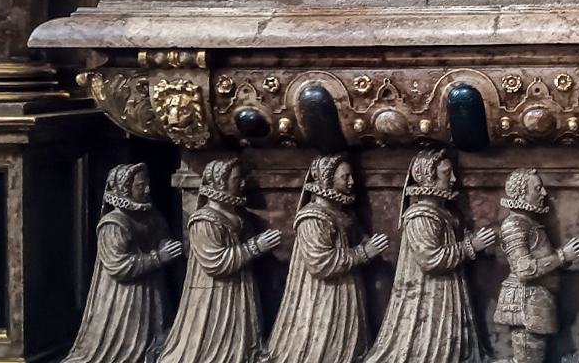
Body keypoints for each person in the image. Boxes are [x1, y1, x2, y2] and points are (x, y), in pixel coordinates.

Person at [362, 150, 497, 363]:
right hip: (428, 292)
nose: (453, 179)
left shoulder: (443, 214)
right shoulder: (421, 216)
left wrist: (471, 239)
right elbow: (431, 259)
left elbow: (449, 243)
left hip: (446, 287)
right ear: (427, 176)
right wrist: (471, 246)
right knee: (430, 346)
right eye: (446, 174)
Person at [265, 155, 390, 363]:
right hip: (323, 294)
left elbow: (357, 238)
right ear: (326, 179)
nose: (351, 182)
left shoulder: (340, 212)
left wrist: (364, 243)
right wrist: (363, 252)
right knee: (323, 349)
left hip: (344, 288)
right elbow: (320, 262)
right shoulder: (314, 217)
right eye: (345, 177)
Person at [158, 159, 283, 363]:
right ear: (220, 183)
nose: (242, 185)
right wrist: (255, 247)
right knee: (216, 345)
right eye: (236, 180)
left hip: (238, 286)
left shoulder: (235, 215)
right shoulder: (204, 220)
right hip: (215, 293)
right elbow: (215, 262)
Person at [62, 164, 186, 363]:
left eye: (147, 184)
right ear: (125, 189)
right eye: (140, 185)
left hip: (152, 290)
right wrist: (158, 257)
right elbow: (118, 266)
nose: (147, 190)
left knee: (154, 340)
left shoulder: (150, 214)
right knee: (126, 349)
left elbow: (161, 234)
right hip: (125, 298)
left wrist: (164, 243)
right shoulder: (114, 224)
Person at [494, 170, 579, 363]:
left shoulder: (528, 223)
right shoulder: (515, 225)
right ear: (520, 193)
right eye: (538, 188)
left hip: (535, 301)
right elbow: (523, 270)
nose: (544, 193)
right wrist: (562, 256)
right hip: (524, 302)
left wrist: (563, 258)